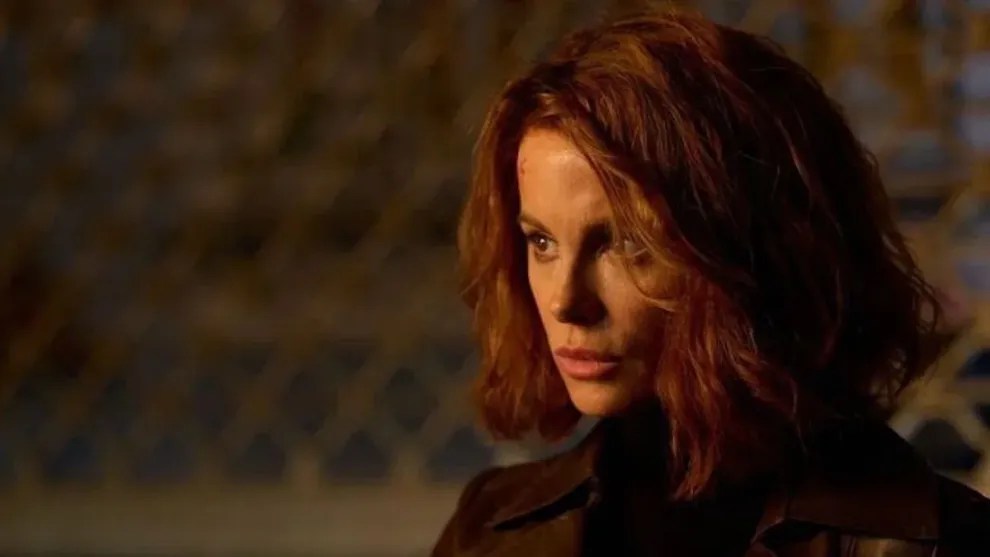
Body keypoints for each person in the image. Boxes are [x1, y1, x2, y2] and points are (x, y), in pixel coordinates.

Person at [432, 8, 990, 557]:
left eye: (627, 244)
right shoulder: (490, 533)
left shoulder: (926, 542)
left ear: (752, 251)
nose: (564, 301)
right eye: (542, 242)